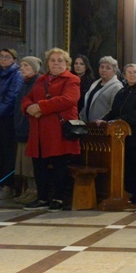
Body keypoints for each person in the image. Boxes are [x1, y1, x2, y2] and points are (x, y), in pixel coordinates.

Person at [21, 48, 81, 212]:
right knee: (39, 165)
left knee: (59, 165)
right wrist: (28, 108)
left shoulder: (72, 79)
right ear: (47, 63)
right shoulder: (41, 80)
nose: (56, 63)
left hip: (58, 130)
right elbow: (27, 98)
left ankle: (58, 199)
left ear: (67, 64)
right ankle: (42, 198)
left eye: (60, 60)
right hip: (39, 130)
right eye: (52, 60)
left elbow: (68, 100)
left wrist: (39, 107)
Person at [96, 63, 136, 205]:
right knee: (126, 165)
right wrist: (103, 120)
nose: (132, 75)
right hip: (121, 135)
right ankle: (129, 191)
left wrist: (117, 121)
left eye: (135, 72)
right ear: (124, 75)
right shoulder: (122, 91)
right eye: (129, 72)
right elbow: (114, 110)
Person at [0, 48, 24, 200]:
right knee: (0, 152)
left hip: (7, 118)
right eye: (1, 56)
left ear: (14, 60)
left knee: (9, 153)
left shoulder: (16, 74)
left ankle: (9, 186)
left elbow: (12, 96)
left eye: (7, 57)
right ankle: (0, 184)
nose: (3, 59)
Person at [13, 56, 43, 205]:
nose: (22, 68)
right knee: (23, 164)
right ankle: (28, 190)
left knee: (30, 164)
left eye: (26, 65)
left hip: (31, 128)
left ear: (34, 68)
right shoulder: (24, 83)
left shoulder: (38, 82)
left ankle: (34, 190)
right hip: (22, 126)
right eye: (22, 65)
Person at [80, 56, 123, 122]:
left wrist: (105, 120)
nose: (104, 70)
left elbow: (116, 109)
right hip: (90, 125)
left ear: (114, 71)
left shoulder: (117, 86)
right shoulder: (96, 83)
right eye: (102, 67)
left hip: (104, 125)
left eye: (108, 68)